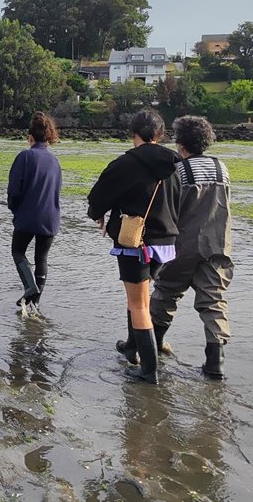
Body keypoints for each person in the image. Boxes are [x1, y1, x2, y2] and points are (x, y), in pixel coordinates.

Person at [87, 109, 179, 384]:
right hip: (166, 244)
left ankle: (148, 371)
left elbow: (98, 195)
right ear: (160, 135)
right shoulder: (175, 165)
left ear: (133, 134)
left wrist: (98, 215)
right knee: (140, 298)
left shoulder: (125, 163)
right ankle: (131, 346)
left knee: (138, 303)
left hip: (135, 243)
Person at [150, 115, 233, 380]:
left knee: (166, 293)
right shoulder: (222, 169)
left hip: (183, 244)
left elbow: (170, 210)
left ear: (181, 143)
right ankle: (215, 362)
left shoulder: (180, 171)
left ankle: (154, 344)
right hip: (218, 244)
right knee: (214, 301)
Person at [6, 112, 62, 317]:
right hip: (51, 218)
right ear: (48, 136)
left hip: (28, 216)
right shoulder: (54, 161)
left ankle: (30, 288)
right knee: (42, 258)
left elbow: (14, 190)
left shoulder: (25, 156)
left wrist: (15, 210)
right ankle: (34, 305)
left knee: (17, 251)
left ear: (30, 136)